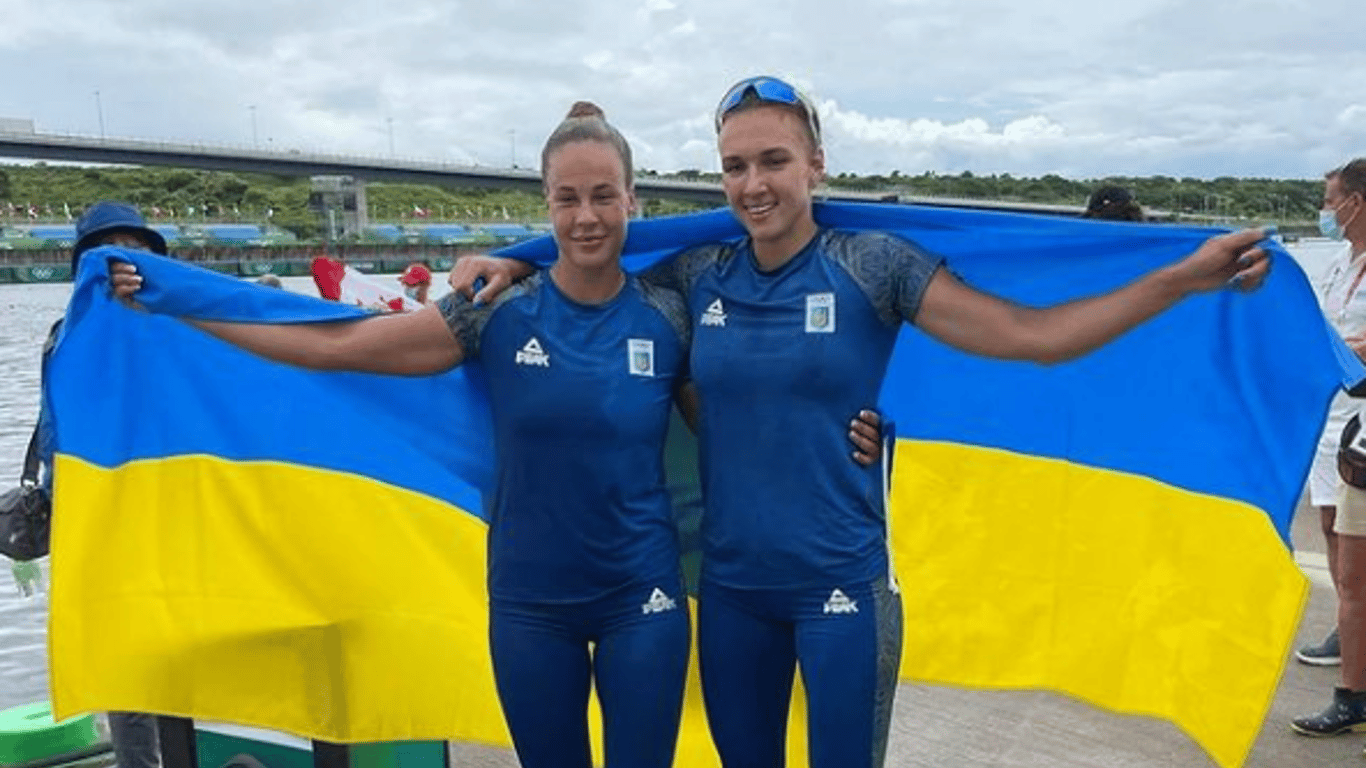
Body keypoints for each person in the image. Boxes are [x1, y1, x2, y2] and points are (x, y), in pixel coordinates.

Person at [447, 75, 1272, 768]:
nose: (754, 183)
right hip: (732, 595)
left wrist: (1181, 278)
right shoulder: (697, 276)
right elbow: (595, 259)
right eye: (735, 166)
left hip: (840, 585)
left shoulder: (874, 265)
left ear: (816, 163)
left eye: (774, 160)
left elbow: (1034, 337)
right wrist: (515, 259)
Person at [108, 103, 883, 768]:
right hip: (530, 606)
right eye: (567, 199)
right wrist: (179, 297)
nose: (586, 216)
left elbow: (744, 418)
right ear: (546, 204)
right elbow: (338, 344)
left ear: (632, 200)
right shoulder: (495, 312)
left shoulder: (670, 312)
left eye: (603, 196)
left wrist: (858, 434)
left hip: (641, 601)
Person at [43, 201, 167, 768]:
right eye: (107, 250)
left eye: (136, 249)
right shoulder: (71, 337)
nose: (124, 260)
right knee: (127, 658)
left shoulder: (180, 324)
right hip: (108, 518)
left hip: (174, 508)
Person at [1291, 158, 1366, 736]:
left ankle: (1355, 680)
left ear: (1355, 202)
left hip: (1360, 430)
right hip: (1332, 420)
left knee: (1354, 558)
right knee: (1333, 535)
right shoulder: (1342, 262)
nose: (1326, 210)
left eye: (1330, 199)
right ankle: (1349, 631)